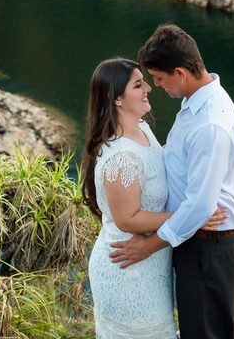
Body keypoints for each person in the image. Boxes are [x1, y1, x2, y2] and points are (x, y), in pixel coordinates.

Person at [110, 24, 234, 339]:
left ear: (180, 72)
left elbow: (200, 206)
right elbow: (176, 157)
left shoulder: (210, 124)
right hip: (199, 242)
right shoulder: (196, 102)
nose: (156, 86)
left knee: (205, 334)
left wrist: (148, 246)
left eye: (159, 79)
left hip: (211, 246)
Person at [82, 57, 226, 339]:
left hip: (149, 265)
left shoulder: (142, 129)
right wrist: (191, 218)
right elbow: (127, 218)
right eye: (138, 84)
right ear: (117, 99)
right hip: (126, 269)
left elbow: (155, 168)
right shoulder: (121, 157)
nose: (148, 87)